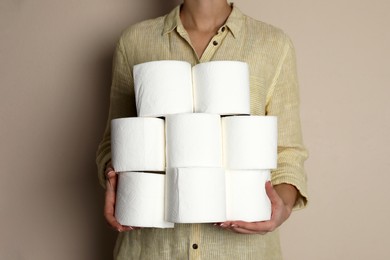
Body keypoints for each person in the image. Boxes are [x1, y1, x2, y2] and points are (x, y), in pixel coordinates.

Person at [96, 0, 308, 259]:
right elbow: (117, 143)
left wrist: (282, 206)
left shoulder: (273, 44)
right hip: (151, 248)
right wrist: (113, 178)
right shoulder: (135, 41)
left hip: (243, 252)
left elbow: (287, 152)